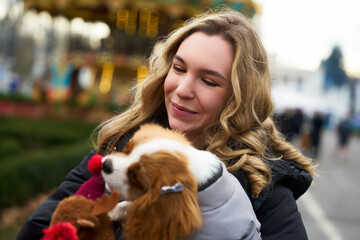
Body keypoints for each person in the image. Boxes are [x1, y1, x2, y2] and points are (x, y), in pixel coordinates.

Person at [17, 8, 316, 240]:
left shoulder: (262, 186)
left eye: (209, 81)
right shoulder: (125, 145)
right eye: (179, 68)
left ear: (238, 98)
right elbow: (40, 227)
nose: (183, 89)